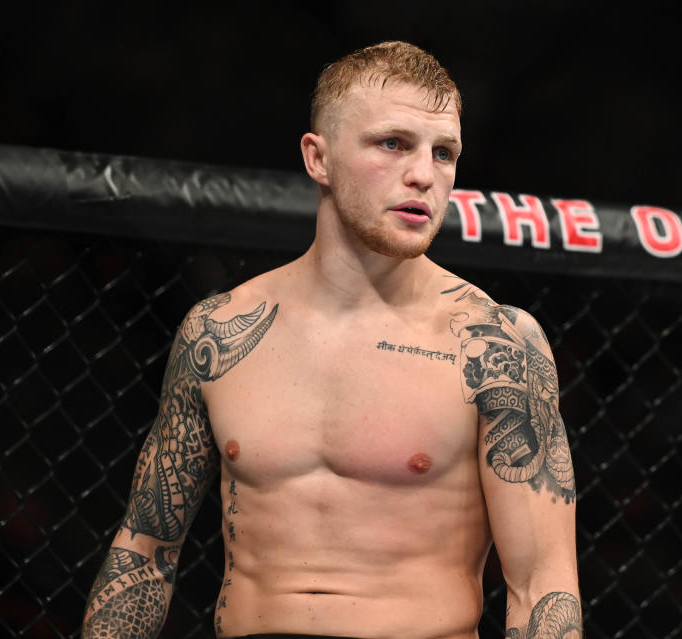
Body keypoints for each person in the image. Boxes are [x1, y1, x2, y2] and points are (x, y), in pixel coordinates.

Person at [81, 41, 582, 639]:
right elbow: (145, 550)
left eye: (444, 152)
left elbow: (542, 587)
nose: (424, 173)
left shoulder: (495, 345)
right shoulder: (218, 331)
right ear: (318, 158)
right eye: (393, 143)